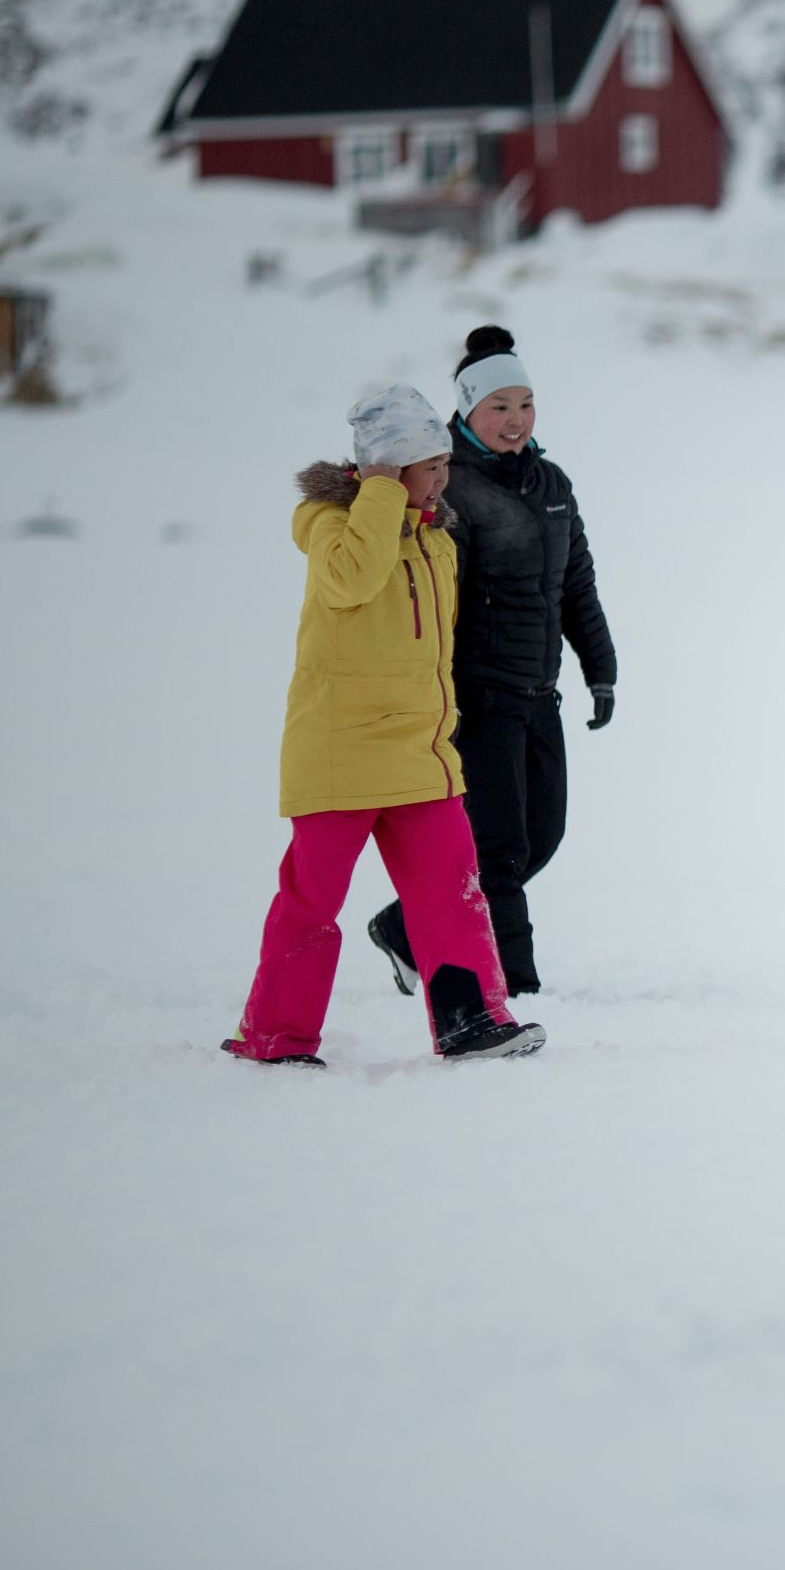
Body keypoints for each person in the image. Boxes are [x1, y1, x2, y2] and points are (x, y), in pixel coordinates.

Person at [223, 386, 544, 1067]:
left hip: (420, 754)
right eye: (428, 466)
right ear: (388, 471)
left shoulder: (436, 539)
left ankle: (472, 1022)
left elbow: (437, 650)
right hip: (339, 755)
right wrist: (377, 495)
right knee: (311, 904)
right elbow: (350, 581)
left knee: (454, 895)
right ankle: (275, 1037)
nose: (443, 477)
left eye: (443, 463)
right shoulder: (329, 525)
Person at [366, 326, 615, 1000]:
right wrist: (434, 697)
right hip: (477, 695)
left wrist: (600, 667)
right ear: (469, 410)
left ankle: (404, 928)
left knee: (542, 835)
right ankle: (514, 988)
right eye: (499, 405)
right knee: (501, 848)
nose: (515, 419)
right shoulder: (454, 489)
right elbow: (439, 601)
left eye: (525, 404)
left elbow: (576, 585)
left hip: (540, 692)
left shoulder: (552, 483)